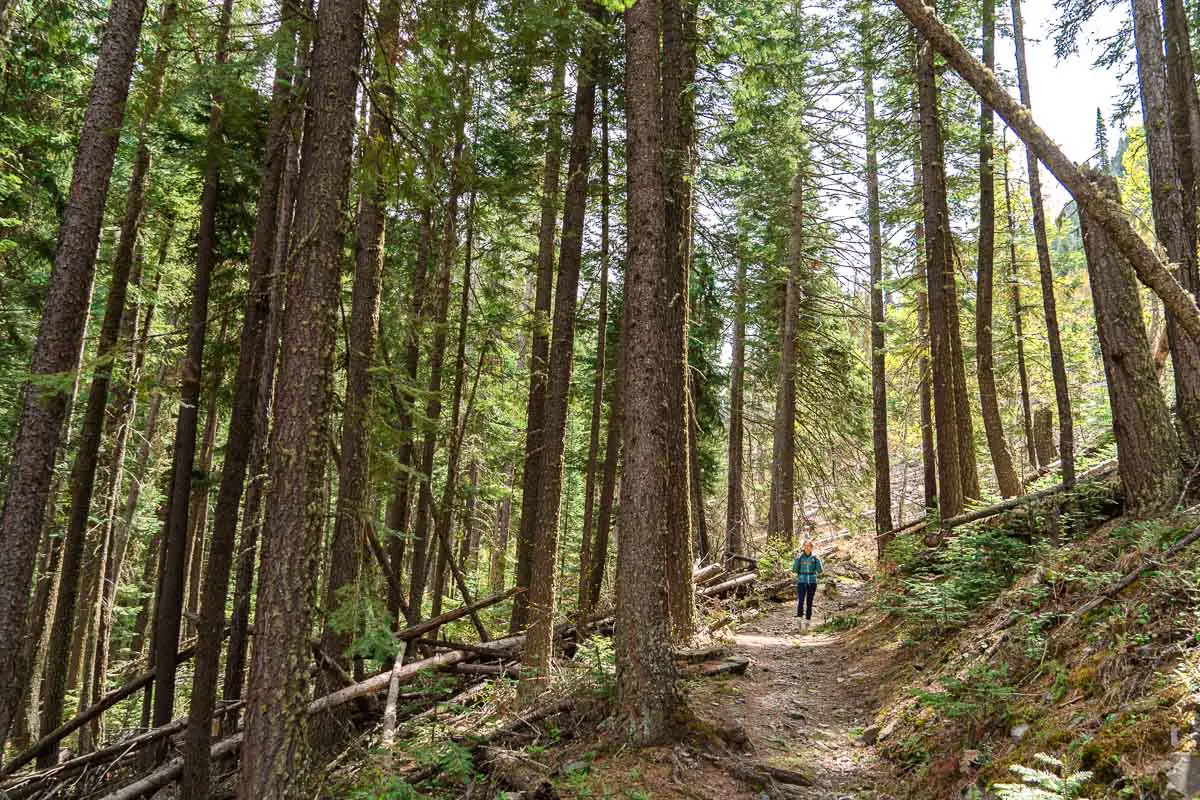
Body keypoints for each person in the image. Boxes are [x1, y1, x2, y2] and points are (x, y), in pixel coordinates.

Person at [792, 539, 823, 630]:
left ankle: (808, 621)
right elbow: (794, 570)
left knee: (809, 602)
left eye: (809, 546)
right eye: (805, 546)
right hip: (802, 581)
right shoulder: (799, 557)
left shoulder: (815, 557)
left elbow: (820, 570)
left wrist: (818, 561)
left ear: (812, 547)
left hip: (812, 581)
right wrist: (797, 561)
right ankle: (799, 618)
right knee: (801, 600)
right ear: (803, 547)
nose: (807, 548)